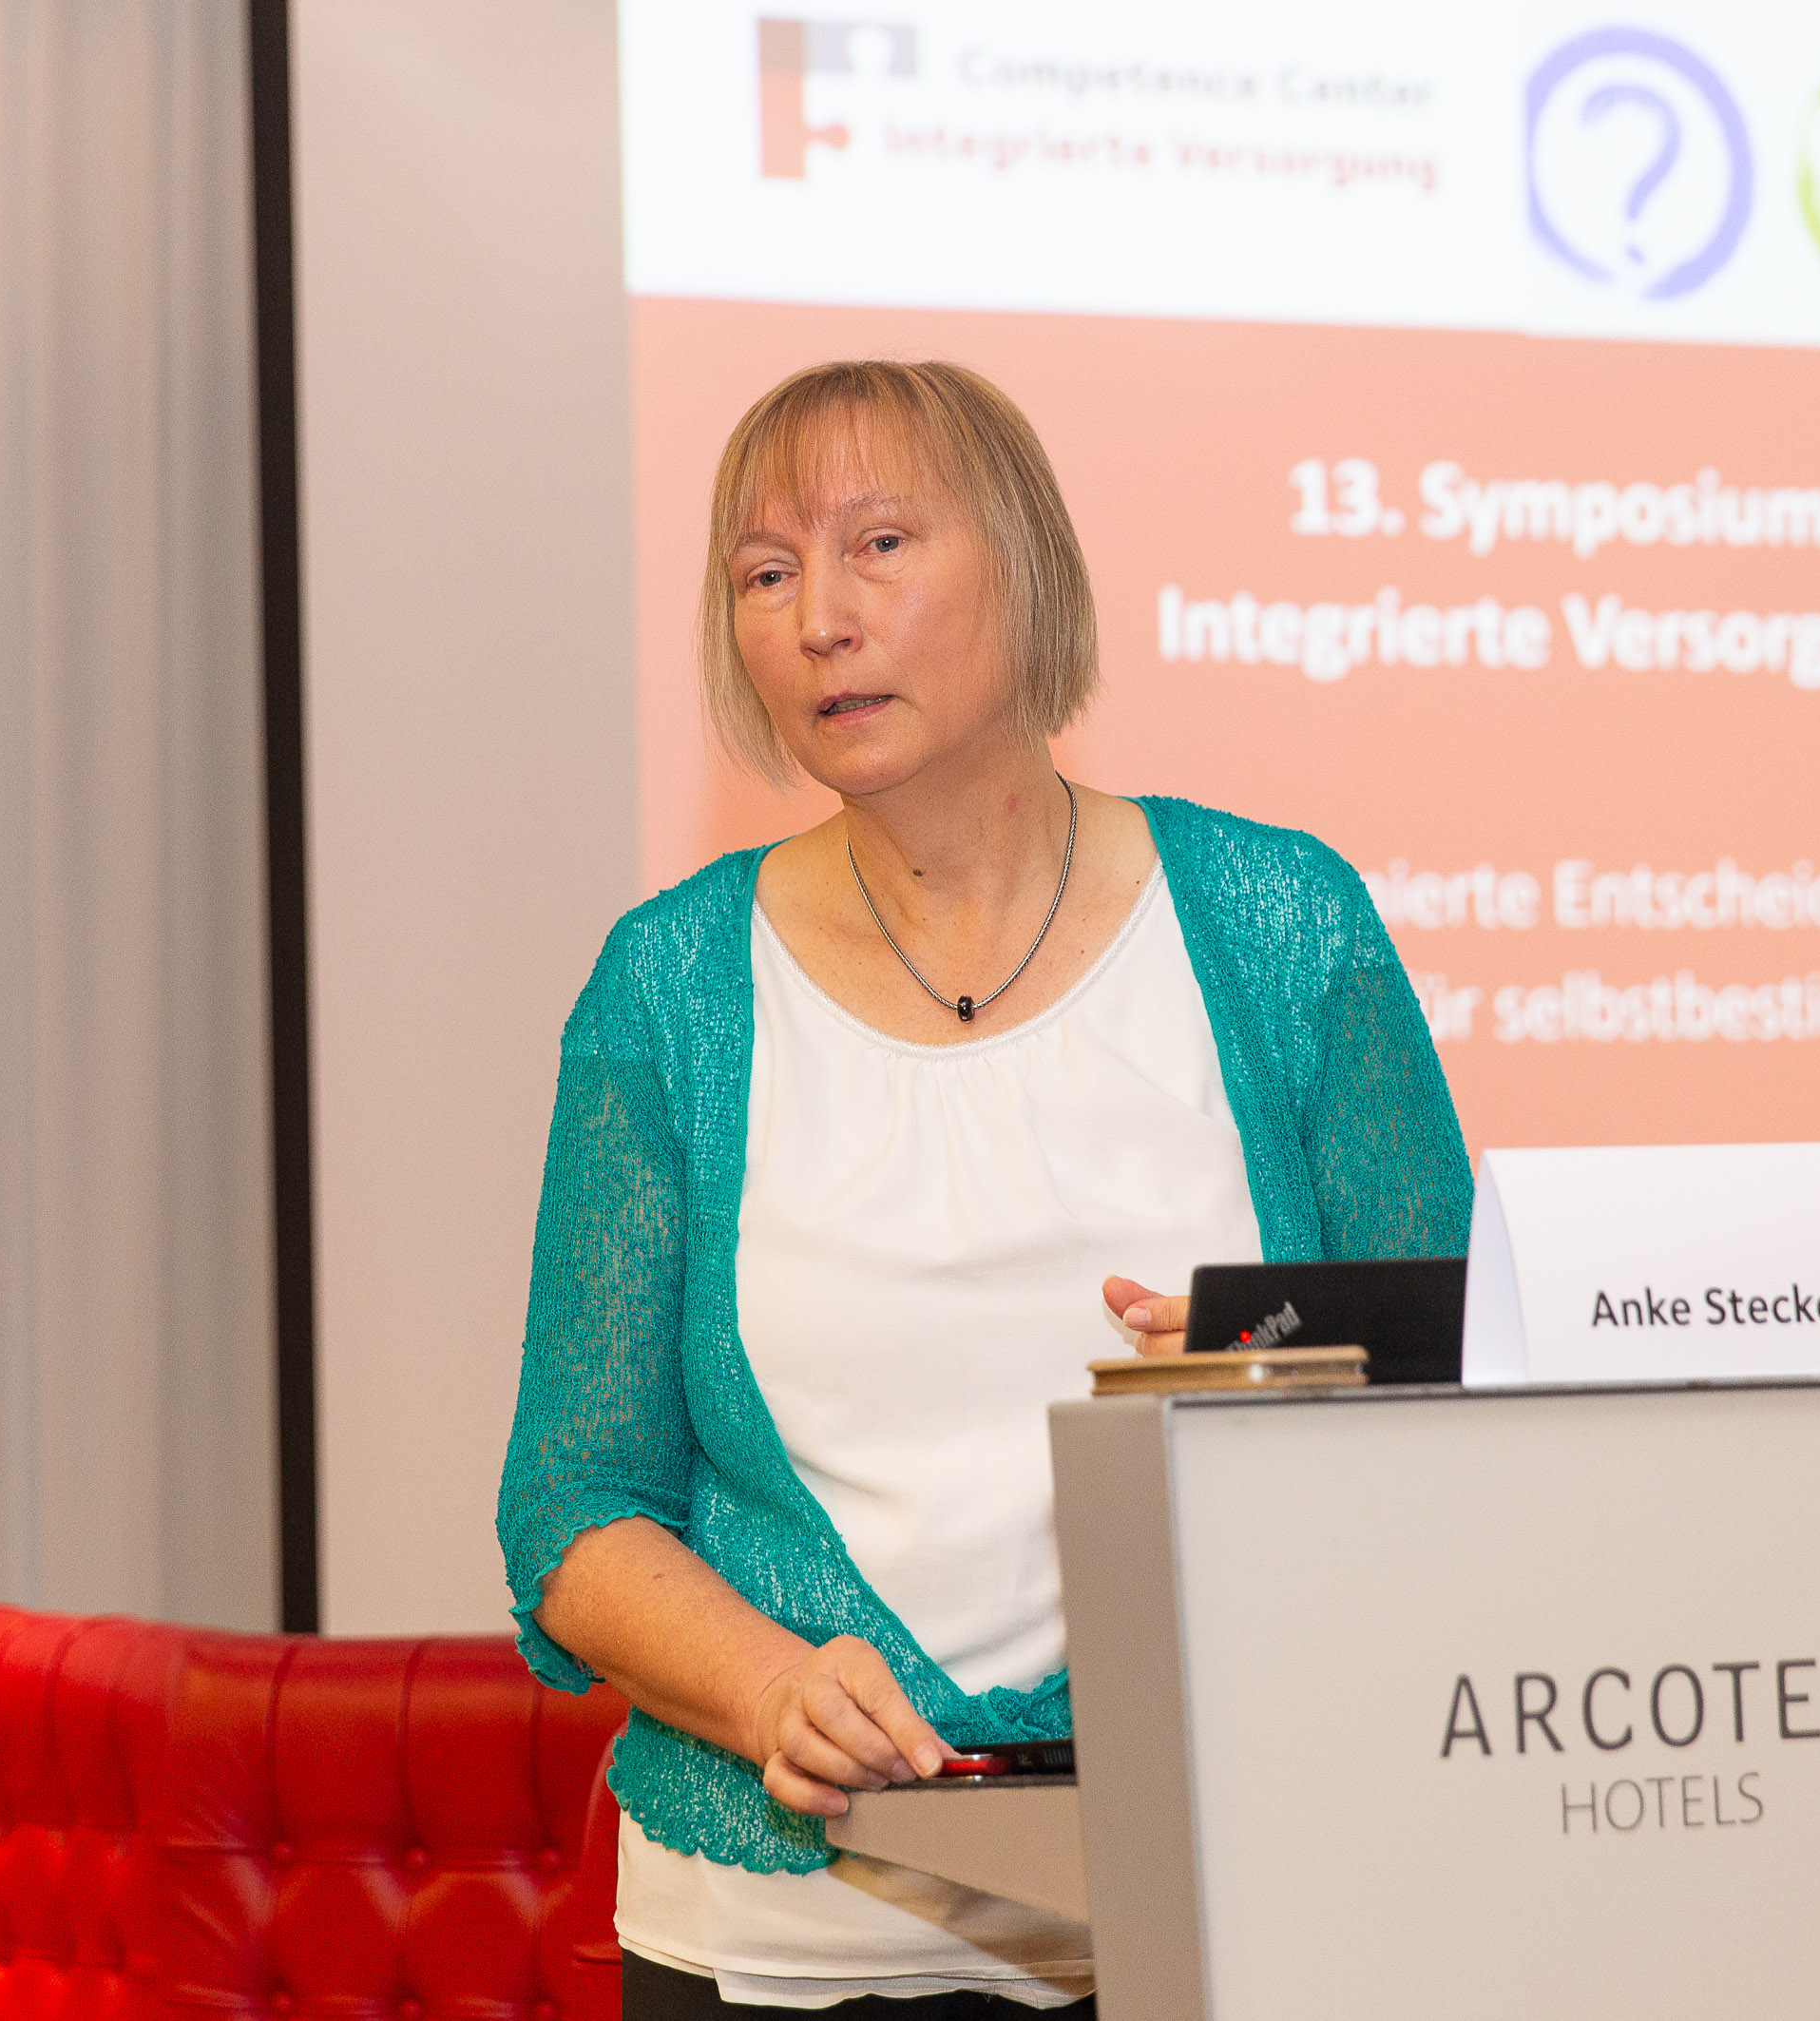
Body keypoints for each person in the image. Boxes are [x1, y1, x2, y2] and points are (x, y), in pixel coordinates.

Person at [495, 359, 1472, 2015]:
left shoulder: (1280, 921)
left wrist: (1281, 1369)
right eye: (764, 572)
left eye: (878, 545)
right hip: (782, 1946)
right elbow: (571, 1505)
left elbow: (1468, 1378)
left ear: (1025, 568)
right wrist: (765, 1686)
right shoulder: (666, 989)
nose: (819, 619)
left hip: (1226, 1904)